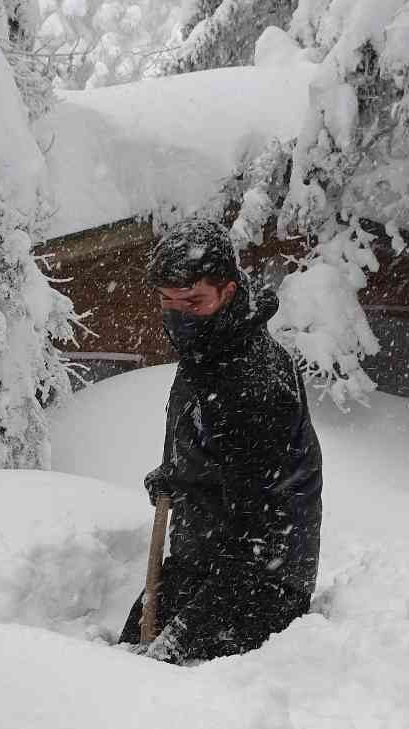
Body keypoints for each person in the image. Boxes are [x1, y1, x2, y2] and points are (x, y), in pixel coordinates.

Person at [119, 219, 323, 663]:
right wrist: (173, 474)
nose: (178, 316)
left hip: (263, 583)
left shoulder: (253, 381)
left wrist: (180, 637)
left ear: (227, 291)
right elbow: (215, 446)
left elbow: (257, 531)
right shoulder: (210, 348)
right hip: (203, 558)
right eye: (168, 302)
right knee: (122, 658)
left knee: (155, 681)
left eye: (193, 301)